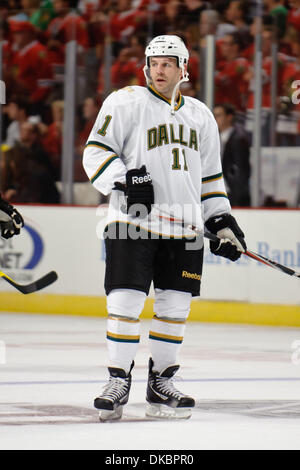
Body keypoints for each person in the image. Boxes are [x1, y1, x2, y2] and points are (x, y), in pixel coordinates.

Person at [83, 34, 247, 421]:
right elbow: (96, 151)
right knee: (124, 302)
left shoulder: (201, 115)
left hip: (186, 228)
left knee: (175, 308)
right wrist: (127, 180)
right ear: (146, 66)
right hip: (131, 223)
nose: (159, 69)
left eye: (168, 63)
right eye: (154, 62)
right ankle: (118, 379)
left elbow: (210, 180)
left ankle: (162, 382)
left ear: (183, 68)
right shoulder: (125, 102)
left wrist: (221, 221)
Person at [214, 103, 251, 206]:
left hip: (232, 193)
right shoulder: (213, 138)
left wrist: (238, 192)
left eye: (219, 115)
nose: (215, 119)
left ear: (229, 117)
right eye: (214, 115)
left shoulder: (239, 139)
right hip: (216, 192)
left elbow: (242, 169)